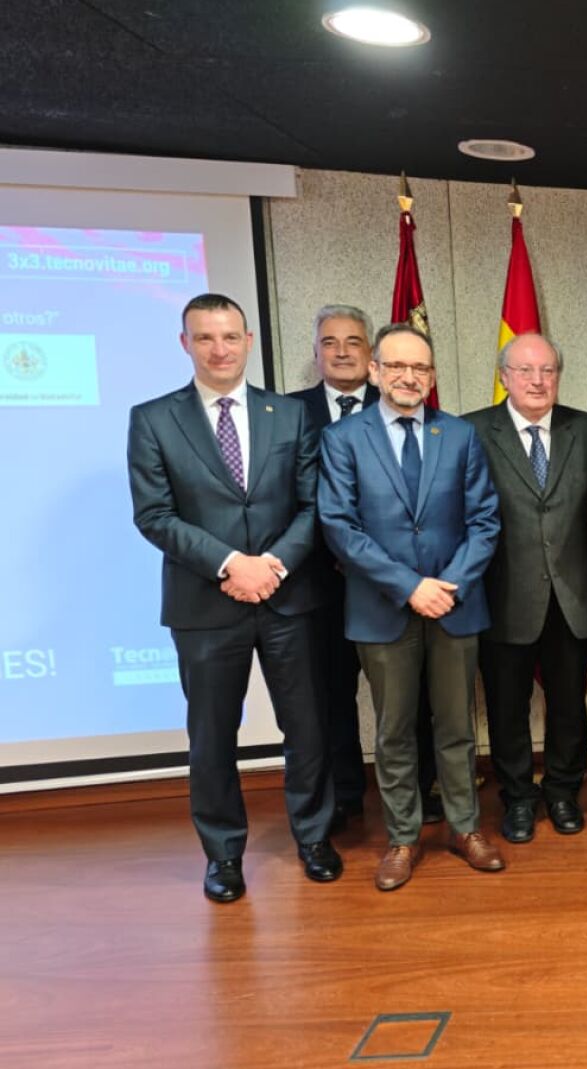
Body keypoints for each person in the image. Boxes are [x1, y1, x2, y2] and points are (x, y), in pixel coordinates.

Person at [128, 293, 337, 902]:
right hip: (204, 604)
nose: (219, 349)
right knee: (213, 736)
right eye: (205, 338)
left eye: (229, 337)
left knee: (308, 727)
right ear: (185, 343)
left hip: (287, 594)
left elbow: (312, 503)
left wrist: (270, 565)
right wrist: (230, 565)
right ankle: (223, 854)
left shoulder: (289, 414)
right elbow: (154, 515)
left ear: (249, 340)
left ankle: (315, 838)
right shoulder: (154, 418)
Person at [317, 323, 503, 890]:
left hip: (454, 605)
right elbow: (339, 526)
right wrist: (408, 586)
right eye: (396, 366)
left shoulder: (460, 435)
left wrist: (447, 585)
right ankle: (401, 839)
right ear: (374, 371)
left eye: (420, 368)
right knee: (395, 731)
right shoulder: (344, 439)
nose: (408, 377)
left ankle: (465, 827)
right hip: (382, 609)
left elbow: (485, 520)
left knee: (457, 728)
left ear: (432, 377)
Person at [466, 333, 587, 843]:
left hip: (573, 596)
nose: (536, 380)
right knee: (507, 706)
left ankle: (564, 792)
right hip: (503, 596)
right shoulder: (473, 431)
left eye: (547, 370)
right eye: (525, 370)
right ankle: (519, 799)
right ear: (504, 375)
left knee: (569, 702)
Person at [287, 305, 379, 834]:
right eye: (330, 342)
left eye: (353, 342)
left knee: (405, 698)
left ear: (371, 353)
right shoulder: (289, 413)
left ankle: (419, 788)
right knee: (331, 695)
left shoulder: (398, 406)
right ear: (317, 351)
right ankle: (345, 794)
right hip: (317, 582)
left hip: (387, 583)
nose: (342, 351)